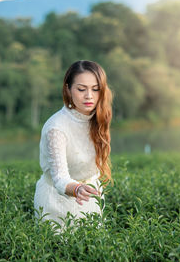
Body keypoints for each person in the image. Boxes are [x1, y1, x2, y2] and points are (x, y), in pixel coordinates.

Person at [34, 60, 113, 231]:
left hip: (90, 198)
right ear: (68, 89)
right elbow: (60, 178)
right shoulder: (56, 127)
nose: (89, 96)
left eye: (95, 89)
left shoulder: (98, 118)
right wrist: (77, 189)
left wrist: (88, 190)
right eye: (81, 89)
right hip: (56, 203)